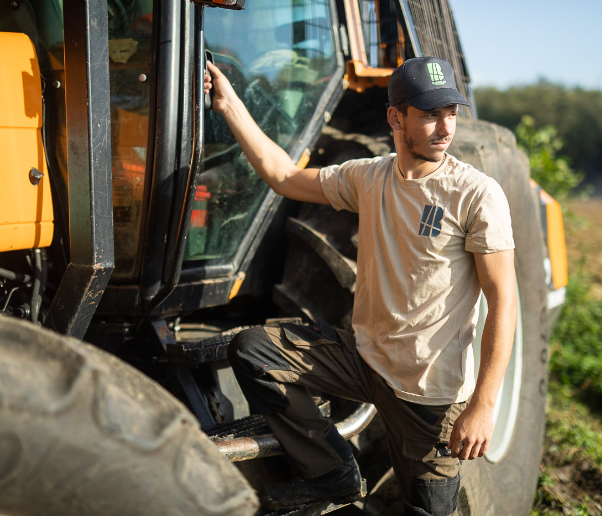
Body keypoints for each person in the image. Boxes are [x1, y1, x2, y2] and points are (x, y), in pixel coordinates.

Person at [204, 56, 517, 515]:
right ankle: (334, 474)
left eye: (450, 112)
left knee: (427, 510)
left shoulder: (475, 194)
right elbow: (285, 176)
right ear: (396, 116)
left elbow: (503, 302)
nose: (445, 127)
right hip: (366, 361)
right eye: (430, 113)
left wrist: (484, 405)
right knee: (255, 351)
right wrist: (229, 102)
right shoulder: (369, 177)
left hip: (430, 396)